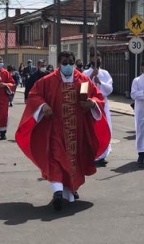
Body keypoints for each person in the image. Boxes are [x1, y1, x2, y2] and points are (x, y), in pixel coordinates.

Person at [15, 51, 110, 211]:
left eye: (71, 62)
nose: (68, 65)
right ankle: (58, 192)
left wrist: (92, 103)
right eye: (65, 62)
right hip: (55, 128)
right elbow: (34, 95)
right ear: (59, 63)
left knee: (75, 161)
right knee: (56, 158)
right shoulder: (48, 80)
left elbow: (95, 96)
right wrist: (43, 106)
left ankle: (69, 189)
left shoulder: (83, 80)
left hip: (76, 131)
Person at [84, 53, 113, 166]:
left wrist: (101, 82)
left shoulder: (105, 73)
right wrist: (91, 77)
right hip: (91, 104)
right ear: (90, 59)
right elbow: (82, 88)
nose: (97, 60)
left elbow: (110, 88)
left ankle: (103, 155)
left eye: (99, 58)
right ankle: (91, 154)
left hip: (103, 104)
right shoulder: (85, 73)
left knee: (104, 129)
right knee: (92, 130)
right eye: (94, 59)